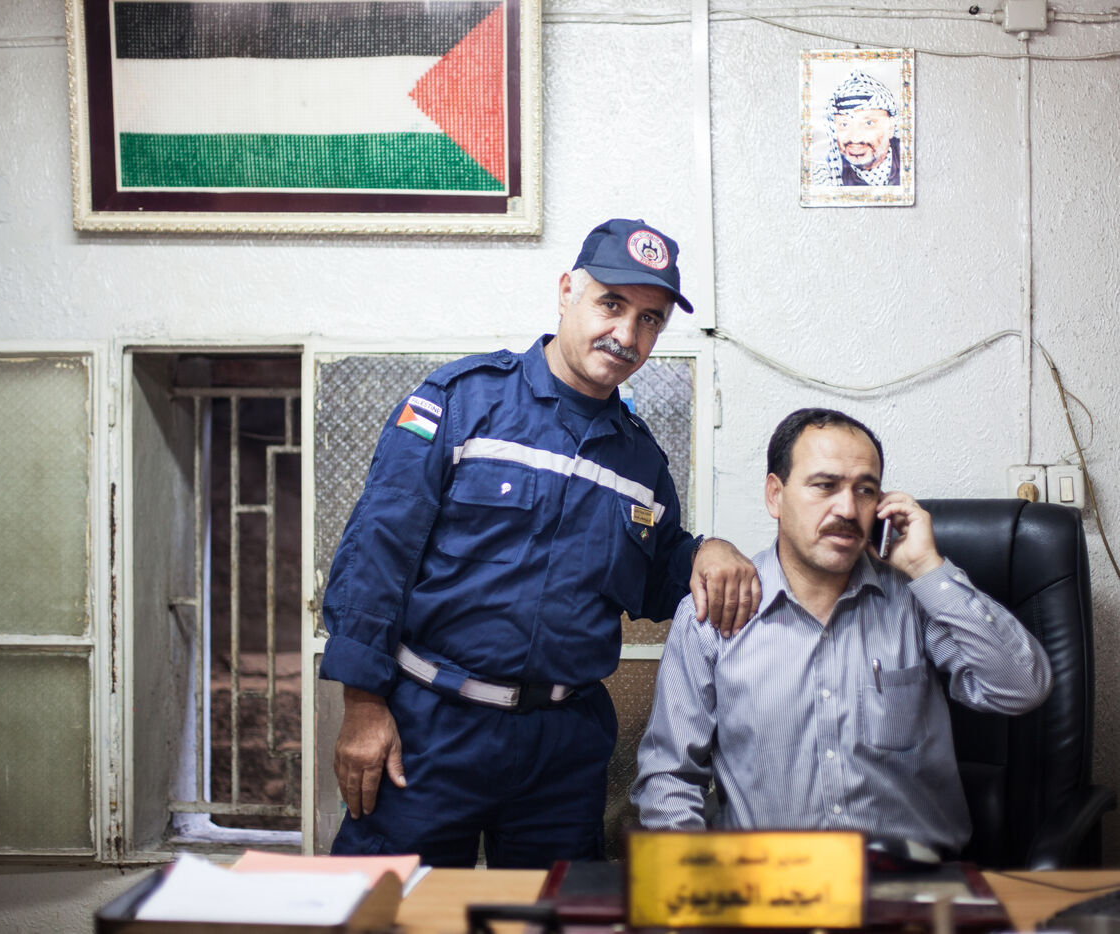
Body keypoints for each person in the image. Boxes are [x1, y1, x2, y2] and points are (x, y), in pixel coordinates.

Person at [320, 218, 762, 868]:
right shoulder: (462, 403)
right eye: (611, 304)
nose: (626, 335)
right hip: (428, 727)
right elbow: (376, 554)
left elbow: (661, 576)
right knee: (392, 905)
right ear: (566, 292)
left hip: (561, 750)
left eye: (649, 319)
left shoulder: (639, 460)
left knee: (554, 910)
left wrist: (708, 550)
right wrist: (363, 706)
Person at [631, 408, 1051, 856]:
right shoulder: (714, 615)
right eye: (825, 486)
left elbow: (1021, 688)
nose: (848, 509)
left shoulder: (916, 600)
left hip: (909, 881)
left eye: (865, 490)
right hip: (767, 880)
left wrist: (927, 566)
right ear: (775, 495)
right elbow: (669, 778)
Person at [812, 70, 901, 187]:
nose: (855, 138)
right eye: (844, 124)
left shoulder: (910, 161)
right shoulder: (824, 175)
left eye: (868, 123)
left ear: (890, 127)